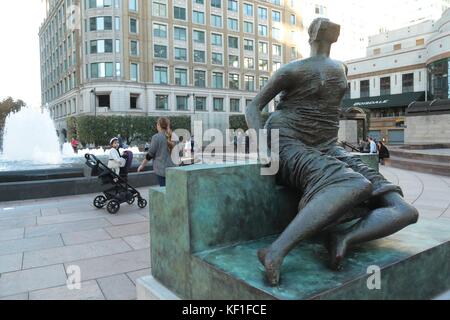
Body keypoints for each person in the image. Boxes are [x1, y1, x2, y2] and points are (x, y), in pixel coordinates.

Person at [245, 17, 418, 286]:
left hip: (327, 145)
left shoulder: (341, 68)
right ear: (314, 36)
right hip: (290, 140)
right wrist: (265, 148)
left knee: (405, 210)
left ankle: (343, 237)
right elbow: (253, 107)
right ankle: (274, 251)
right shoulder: (292, 70)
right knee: (354, 184)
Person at [138, 117, 177, 187]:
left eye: (157, 124)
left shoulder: (156, 137)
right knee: (172, 191)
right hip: (174, 169)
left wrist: (142, 165)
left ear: (158, 125)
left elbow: (150, 154)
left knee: (164, 191)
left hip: (162, 170)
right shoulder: (175, 136)